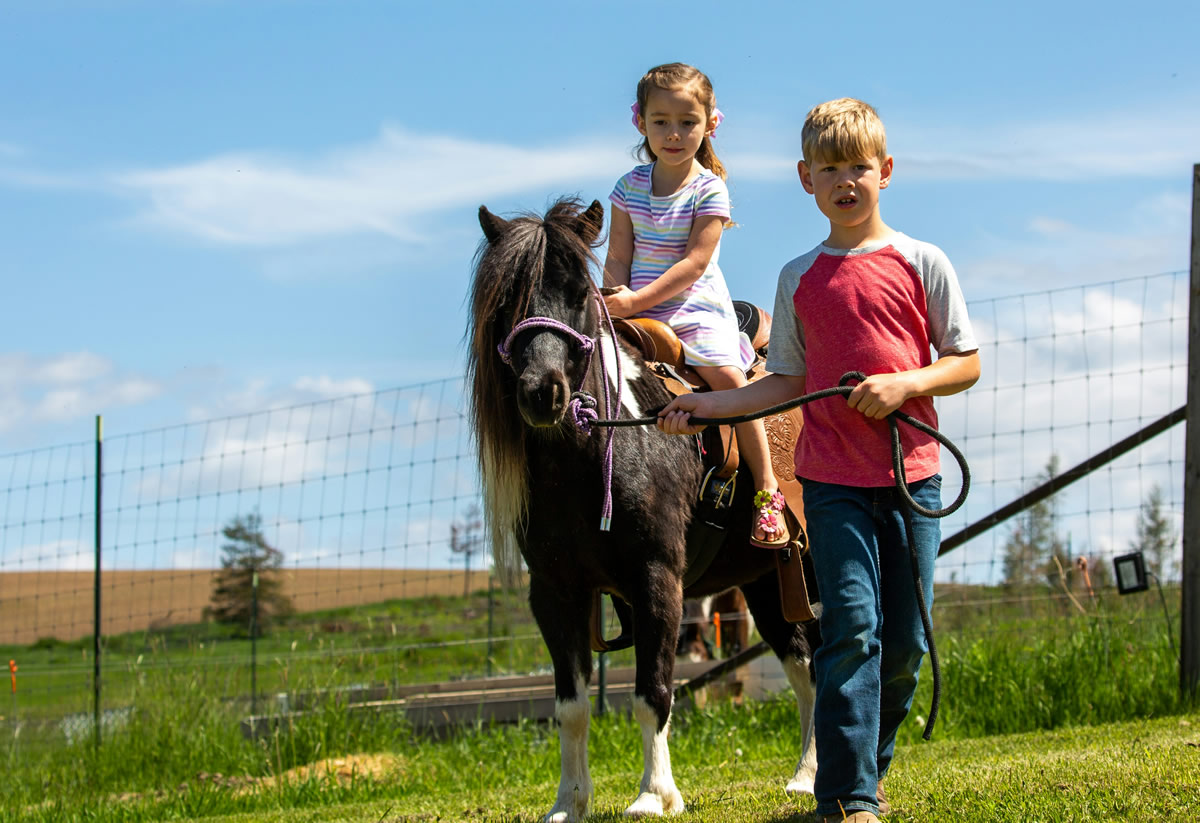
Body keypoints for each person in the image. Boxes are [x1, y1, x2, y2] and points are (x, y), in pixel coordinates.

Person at [658, 98, 981, 822]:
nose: (845, 180)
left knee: (902, 648)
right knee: (853, 628)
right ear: (805, 178)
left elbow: (965, 362)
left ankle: (863, 766)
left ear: (885, 172)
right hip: (833, 481)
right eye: (828, 168)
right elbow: (784, 382)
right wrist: (703, 408)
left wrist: (907, 382)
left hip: (912, 476)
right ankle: (847, 797)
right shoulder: (800, 276)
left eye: (858, 167)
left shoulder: (922, 261)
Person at [602, 61, 788, 548]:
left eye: (687, 122)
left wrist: (635, 300)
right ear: (640, 122)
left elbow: (695, 262)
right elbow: (618, 254)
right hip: (632, 309)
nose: (674, 133)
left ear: (710, 124)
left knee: (728, 378)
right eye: (661, 121)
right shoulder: (627, 187)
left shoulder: (708, 188)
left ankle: (767, 488)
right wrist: (610, 299)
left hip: (693, 308)